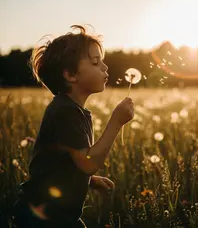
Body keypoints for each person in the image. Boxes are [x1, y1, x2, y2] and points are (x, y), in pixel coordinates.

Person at [13, 25, 134, 227]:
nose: (104, 67)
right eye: (96, 62)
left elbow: (68, 160)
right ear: (70, 75)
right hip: (42, 217)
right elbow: (88, 161)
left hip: (59, 213)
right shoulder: (64, 112)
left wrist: (89, 180)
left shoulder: (73, 110)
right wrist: (117, 122)